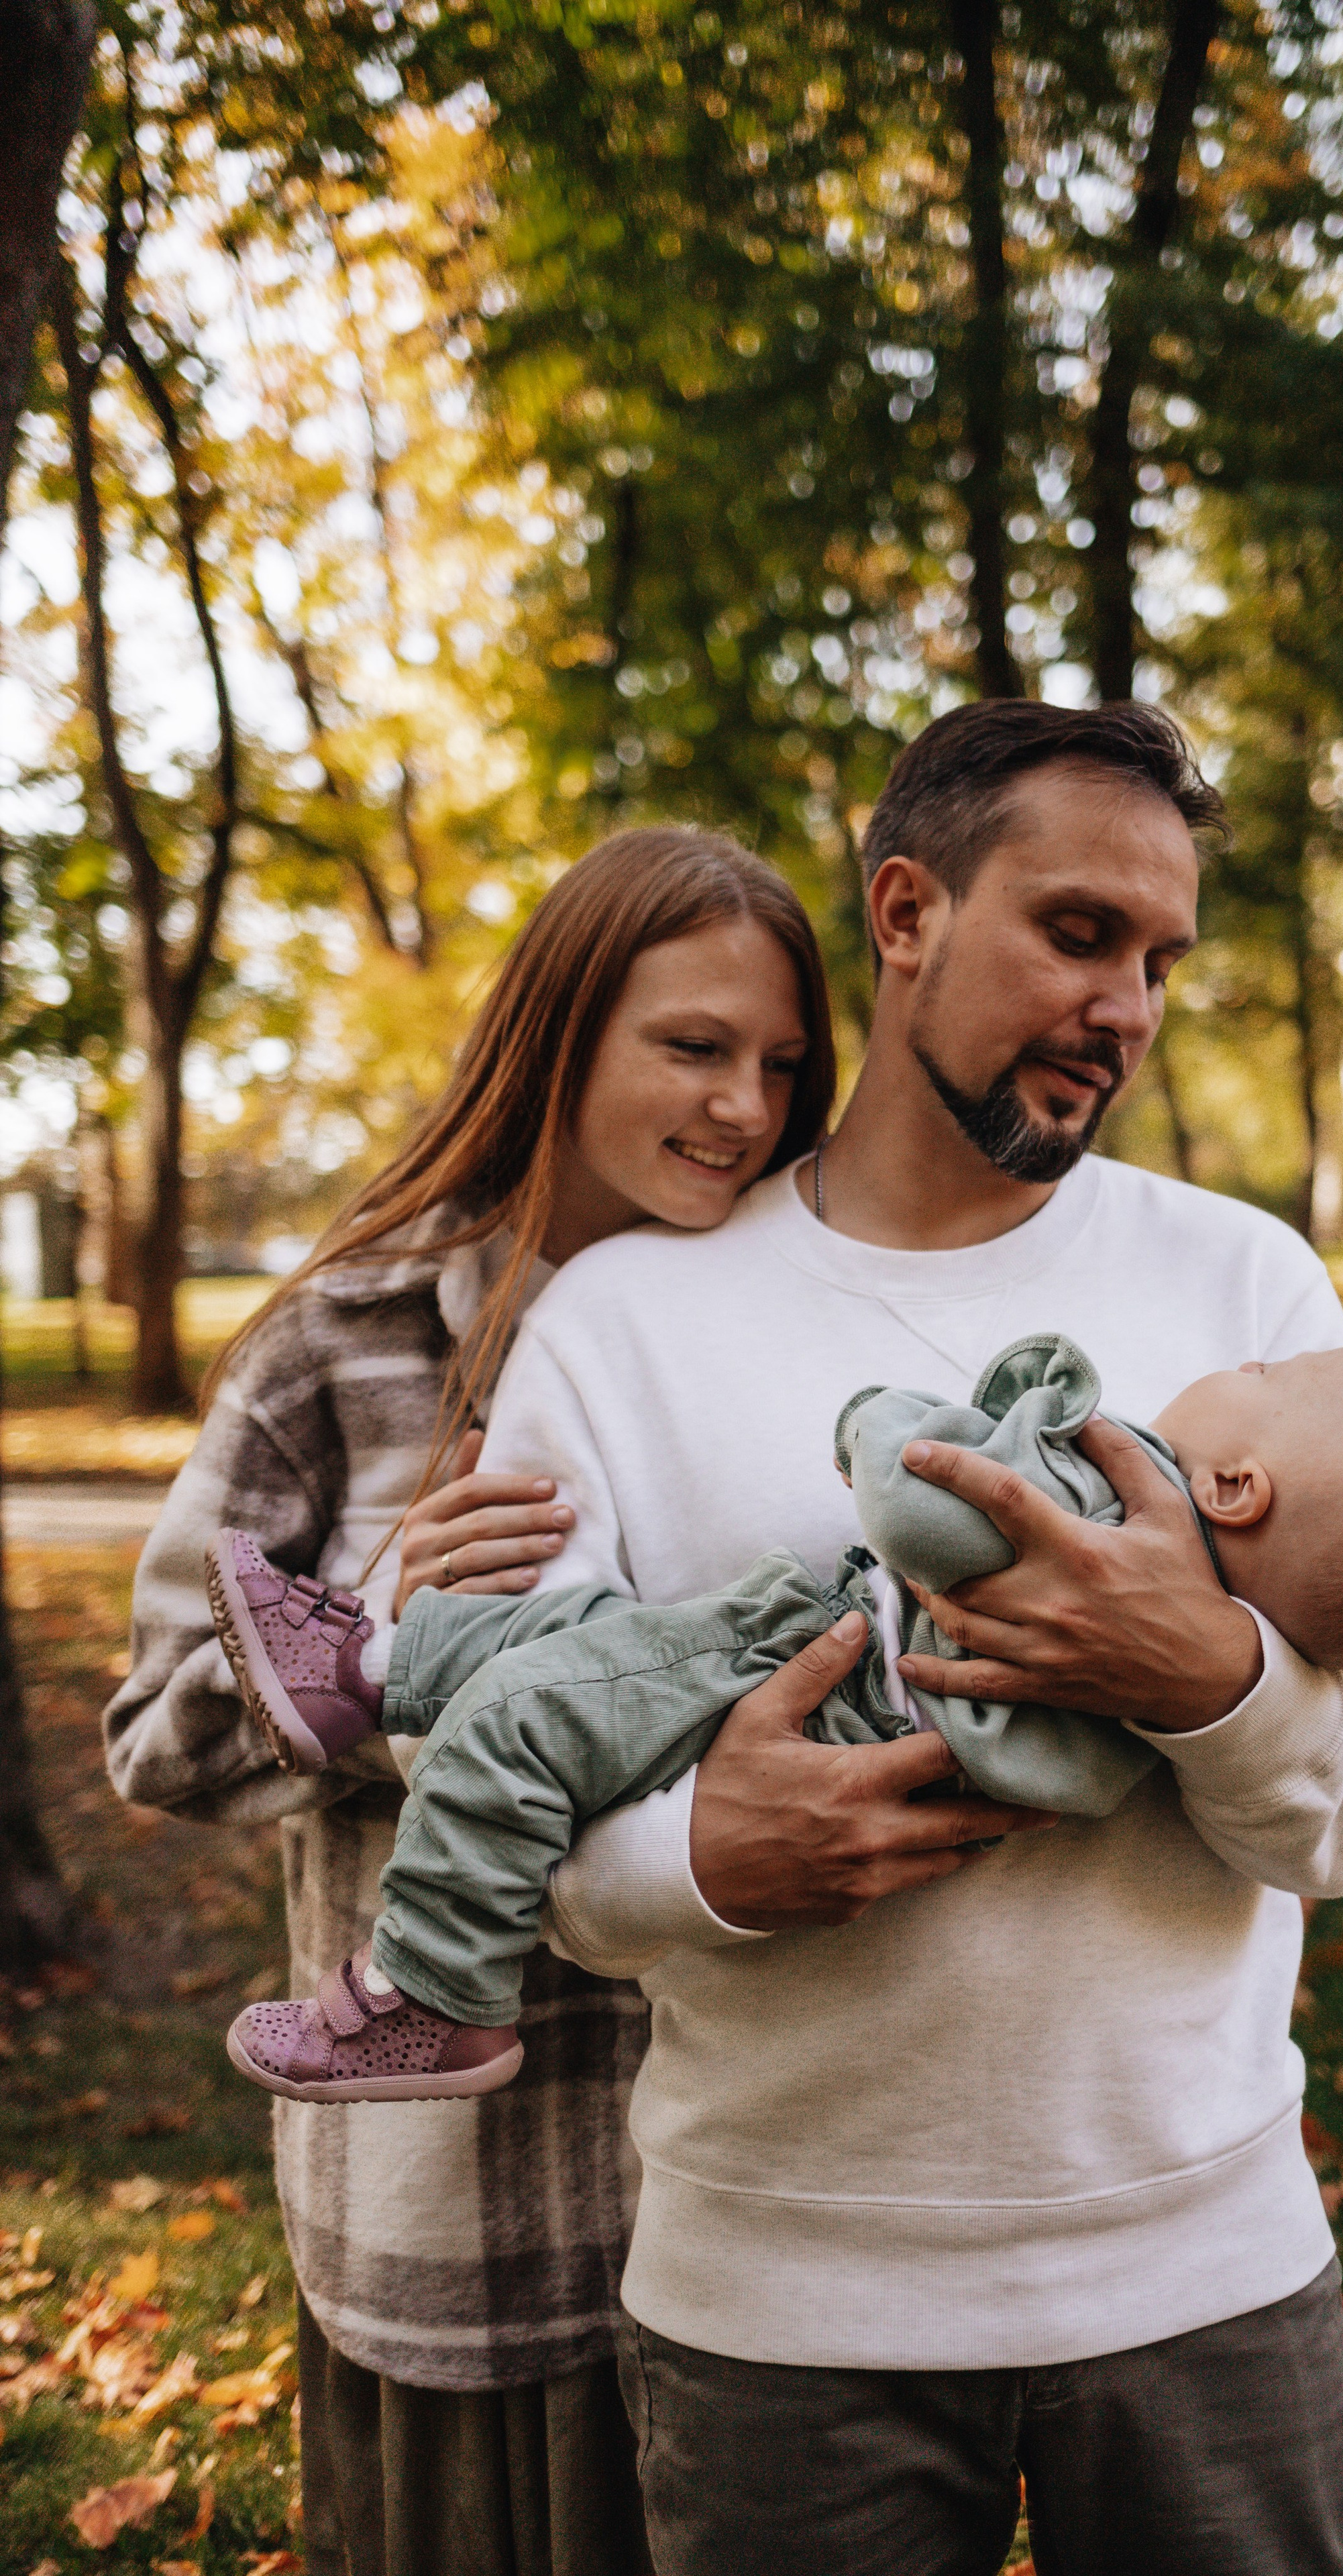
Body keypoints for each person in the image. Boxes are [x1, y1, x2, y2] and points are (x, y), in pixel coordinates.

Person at [440, 700, 1343, 2576]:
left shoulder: (1244, 1285)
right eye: (1077, 934)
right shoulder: (621, 1323)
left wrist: (1210, 1681)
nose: (1125, 1008)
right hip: (778, 2311)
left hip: (1206, 2279)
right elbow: (509, 1799)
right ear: (906, 911)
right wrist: (707, 1860)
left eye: (1159, 961)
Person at [103, 826, 841, 2576]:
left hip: (763, 2196)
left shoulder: (790, 1343)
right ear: (560, 1036)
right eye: (693, 1046)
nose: (743, 1107)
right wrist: (377, 1644)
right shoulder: (340, 1347)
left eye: (781, 1064)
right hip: (474, 2214)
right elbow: (152, 1735)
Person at [207, 1334, 1343, 2102]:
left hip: (813, 1675)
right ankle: (361, 1669)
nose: (1243, 1360)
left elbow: (930, 1513)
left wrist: (874, 1423)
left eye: (1264, 1372)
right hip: (818, 1680)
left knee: (531, 1712)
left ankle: (437, 1992)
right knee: (585, 1640)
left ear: (1238, 1487)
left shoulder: (1115, 1509)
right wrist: (687, 1859)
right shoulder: (1194, 1572)